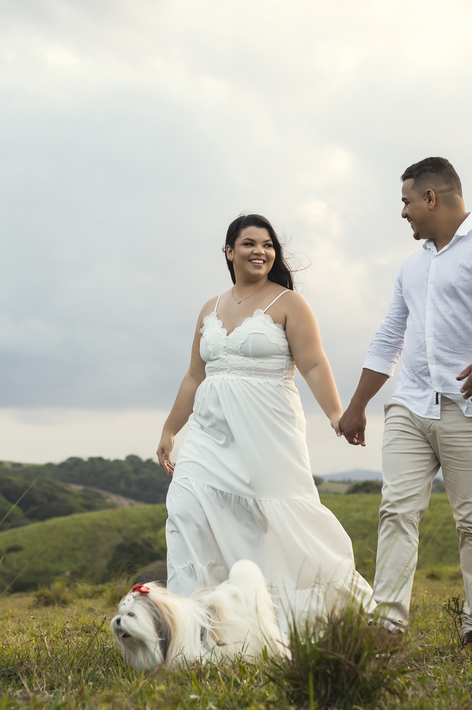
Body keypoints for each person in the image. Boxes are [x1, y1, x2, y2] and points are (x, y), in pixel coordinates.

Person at [339, 157, 472, 655]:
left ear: (431, 197)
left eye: (405, 201)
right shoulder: (412, 263)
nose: (402, 213)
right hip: (410, 405)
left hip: (469, 406)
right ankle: (387, 627)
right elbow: (389, 335)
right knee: (396, 510)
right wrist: (358, 405)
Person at [158, 213, 374, 632]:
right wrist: (170, 429)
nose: (261, 251)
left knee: (277, 521)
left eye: (268, 245)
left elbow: (312, 363)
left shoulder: (288, 303)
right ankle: (196, 622)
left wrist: (335, 413)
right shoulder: (211, 307)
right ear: (229, 251)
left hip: (268, 430)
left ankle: (295, 618)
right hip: (209, 432)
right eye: (249, 243)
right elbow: (194, 375)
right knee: (186, 508)